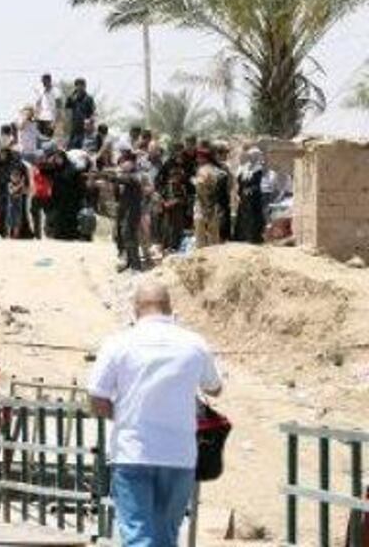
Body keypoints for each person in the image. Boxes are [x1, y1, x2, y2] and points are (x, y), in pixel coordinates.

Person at [88, 281, 222, 547]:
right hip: (179, 456)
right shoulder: (194, 343)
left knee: (139, 535)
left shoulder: (118, 343)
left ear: (136, 309)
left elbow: (96, 399)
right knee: (167, 537)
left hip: (133, 452)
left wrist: (124, 414)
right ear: (170, 308)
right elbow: (215, 388)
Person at [234, 147, 267, 244]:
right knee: (243, 214)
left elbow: (257, 183)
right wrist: (239, 193)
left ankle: (254, 237)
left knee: (254, 215)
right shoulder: (245, 167)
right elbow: (240, 182)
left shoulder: (258, 168)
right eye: (250, 156)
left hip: (254, 197)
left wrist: (250, 189)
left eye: (254, 156)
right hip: (244, 196)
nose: (251, 157)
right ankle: (242, 236)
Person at [64, 78, 96, 150]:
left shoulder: (89, 98)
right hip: (74, 127)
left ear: (85, 86)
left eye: (82, 85)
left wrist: (91, 122)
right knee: (70, 148)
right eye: (77, 85)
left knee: (83, 148)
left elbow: (93, 112)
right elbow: (66, 108)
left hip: (84, 128)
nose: (80, 87)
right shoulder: (72, 97)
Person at [33, 73, 57, 138]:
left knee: (48, 138)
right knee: (39, 138)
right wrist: (35, 115)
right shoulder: (40, 91)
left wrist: (55, 121)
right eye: (42, 82)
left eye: (45, 81)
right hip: (40, 118)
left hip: (50, 119)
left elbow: (58, 107)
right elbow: (37, 104)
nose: (43, 83)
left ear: (49, 81)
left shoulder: (55, 91)